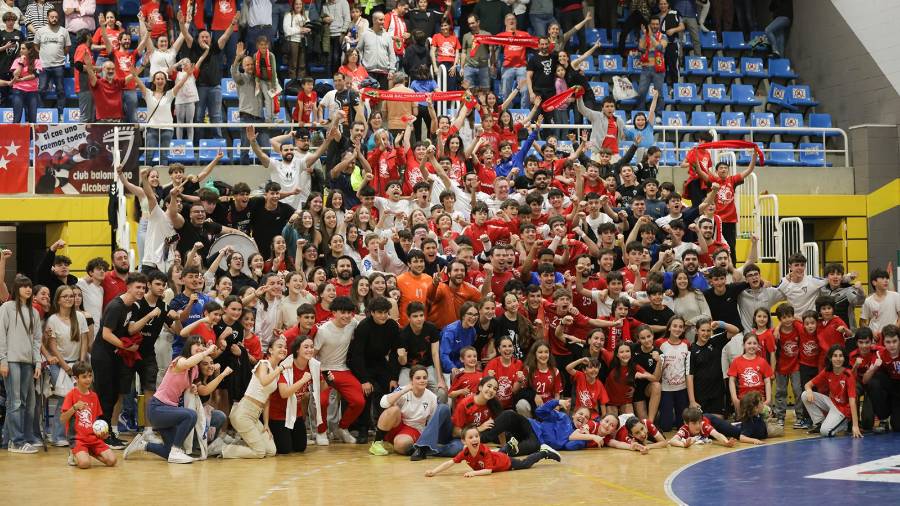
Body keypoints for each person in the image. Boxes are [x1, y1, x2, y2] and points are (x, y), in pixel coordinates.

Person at [124, 337, 218, 463]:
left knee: (168, 450)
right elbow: (187, 364)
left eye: (202, 344)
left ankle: (143, 445)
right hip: (157, 408)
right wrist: (206, 352)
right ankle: (176, 451)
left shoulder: (194, 370)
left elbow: (189, 383)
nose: (199, 346)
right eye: (196, 343)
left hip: (169, 411)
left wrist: (192, 386)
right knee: (190, 415)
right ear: (188, 346)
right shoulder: (180, 361)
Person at [0, 275, 43, 454]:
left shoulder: (34, 312)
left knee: (23, 402)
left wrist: (38, 363)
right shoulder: (7, 307)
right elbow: (1, 335)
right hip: (11, 361)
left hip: (28, 362)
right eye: (24, 286)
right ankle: (16, 442)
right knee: (15, 402)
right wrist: (3, 360)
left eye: (29, 286)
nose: (27, 289)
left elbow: (36, 340)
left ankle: (9, 440)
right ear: (16, 289)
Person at [424, 424, 560, 478]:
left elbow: (488, 470)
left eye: (476, 436)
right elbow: (450, 462)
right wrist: (434, 472)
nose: (475, 439)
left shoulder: (484, 451)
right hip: (498, 456)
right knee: (499, 453)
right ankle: (509, 445)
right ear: (464, 441)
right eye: (470, 437)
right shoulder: (465, 453)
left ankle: (544, 452)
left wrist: (473, 473)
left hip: (505, 463)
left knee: (524, 464)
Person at [369, 365, 437, 456]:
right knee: (394, 409)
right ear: (411, 380)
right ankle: (376, 443)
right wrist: (403, 391)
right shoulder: (403, 389)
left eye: (424, 378)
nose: (422, 380)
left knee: (400, 444)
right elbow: (383, 403)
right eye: (418, 378)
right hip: (396, 425)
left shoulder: (432, 397)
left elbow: (432, 422)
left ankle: (415, 448)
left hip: (414, 429)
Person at [60, 362, 117, 468]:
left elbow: (95, 420)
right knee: (85, 464)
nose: (88, 379)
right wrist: (74, 407)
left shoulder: (94, 396)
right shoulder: (71, 395)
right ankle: (75, 453)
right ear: (76, 378)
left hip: (93, 438)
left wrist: (102, 433)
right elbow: (63, 419)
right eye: (84, 377)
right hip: (78, 439)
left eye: (90, 376)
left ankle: (88, 452)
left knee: (112, 461)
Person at [802, 345, 862, 438]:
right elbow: (807, 384)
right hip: (832, 403)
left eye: (840, 356)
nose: (838, 359)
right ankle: (819, 423)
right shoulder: (827, 371)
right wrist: (809, 390)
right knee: (805, 395)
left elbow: (852, 401)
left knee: (825, 432)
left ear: (844, 358)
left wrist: (855, 425)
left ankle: (844, 424)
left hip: (843, 410)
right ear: (830, 358)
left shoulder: (848, 374)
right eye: (835, 356)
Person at [727, 333, 774, 416]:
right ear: (744, 345)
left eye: (754, 343)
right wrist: (734, 399)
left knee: (761, 424)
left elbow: (767, 382)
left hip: (759, 400)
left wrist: (768, 400)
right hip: (743, 400)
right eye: (749, 343)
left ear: (758, 345)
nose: (752, 346)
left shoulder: (762, 361)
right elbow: (731, 381)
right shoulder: (737, 361)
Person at [33, 9, 68, 118]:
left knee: (60, 90)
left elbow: (67, 48)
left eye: (56, 17)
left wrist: (60, 55)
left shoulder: (64, 31)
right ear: (47, 18)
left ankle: (61, 113)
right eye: (52, 17)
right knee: (41, 89)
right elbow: (35, 45)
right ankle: (41, 113)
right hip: (44, 66)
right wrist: (42, 54)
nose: (54, 19)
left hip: (59, 65)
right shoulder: (40, 31)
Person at [669, 406, 737, 447]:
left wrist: (726, 442)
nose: (698, 426)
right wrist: (683, 445)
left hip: (711, 420)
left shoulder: (703, 424)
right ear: (686, 423)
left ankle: (737, 425)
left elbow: (717, 434)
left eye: (699, 422)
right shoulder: (684, 429)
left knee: (736, 432)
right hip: (706, 432)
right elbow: (672, 440)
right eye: (694, 423)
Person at [860, 268, 900, 335]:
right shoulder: (868, 301)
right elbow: (862, 322)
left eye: (887, 278)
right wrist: (872, 333)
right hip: (876, 340)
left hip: (892, 338)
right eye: (882, 278)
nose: (886, 280)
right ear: (874, 282)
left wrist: (894, 330)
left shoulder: (896, 296)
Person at [460, 14, 491, 89]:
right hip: (469, 67)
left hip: (483, 67)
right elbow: (463, 52)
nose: (471, 25)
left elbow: (491, 51)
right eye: (469, 23)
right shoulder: (466, 36)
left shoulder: (487, 35)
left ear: (478, 22)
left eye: (473, 23)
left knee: (485, 91)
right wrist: (462, 67)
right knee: (467, 93)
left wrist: (491, 65)